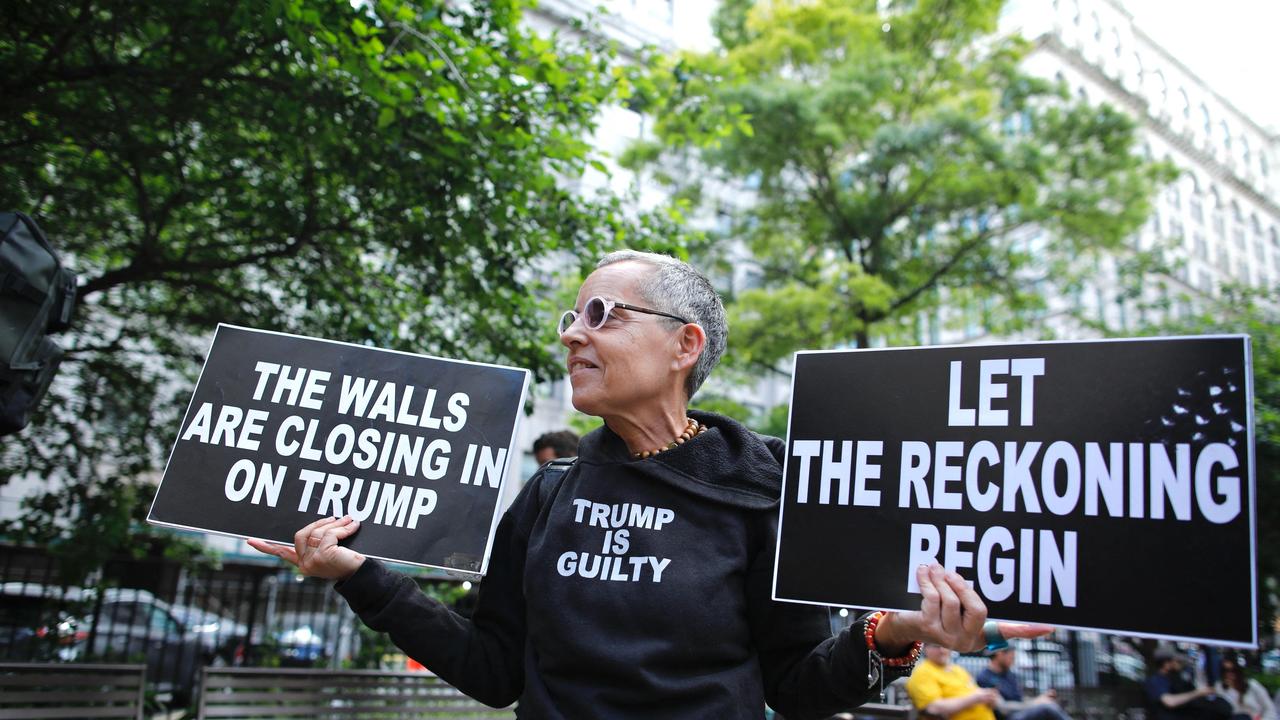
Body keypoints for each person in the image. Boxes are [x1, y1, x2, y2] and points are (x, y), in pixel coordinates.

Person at [249, 250, 1049, 719]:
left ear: (683, 345)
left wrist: (901, 632)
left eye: (602, 314)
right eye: (571, 317)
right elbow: (495, 670)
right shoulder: (550, 494)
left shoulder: (768, 488)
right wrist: (360, 576)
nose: (572, 333)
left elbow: (798, 687)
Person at [906, 644, 1002, 720]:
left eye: (945, 645)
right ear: (925, 649)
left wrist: (988, 699)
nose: (943, 650)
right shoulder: (923, 672)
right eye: (936, 646)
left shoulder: (958, 670)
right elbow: (933, 708)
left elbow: (975, 693)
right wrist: (975, 698)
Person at [975, 646, 1073, 720]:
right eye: (1011, 658)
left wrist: (1040, 699)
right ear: (999, 654)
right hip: (1006, 717)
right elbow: (1003, 708)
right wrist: (1036, 703)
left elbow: (1020, 700)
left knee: (1050, 705)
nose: (1013, 661)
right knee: (1046, 708)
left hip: (1019, 713)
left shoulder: (1010, 675)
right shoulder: (985, 678)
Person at [1145, 647, 1232, 720]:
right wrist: (1198, 693)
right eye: (1177, 661)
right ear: (1166, 663)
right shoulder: (1156, 681)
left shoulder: (1177, 680)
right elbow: (1170, 701)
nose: (1180, 664)